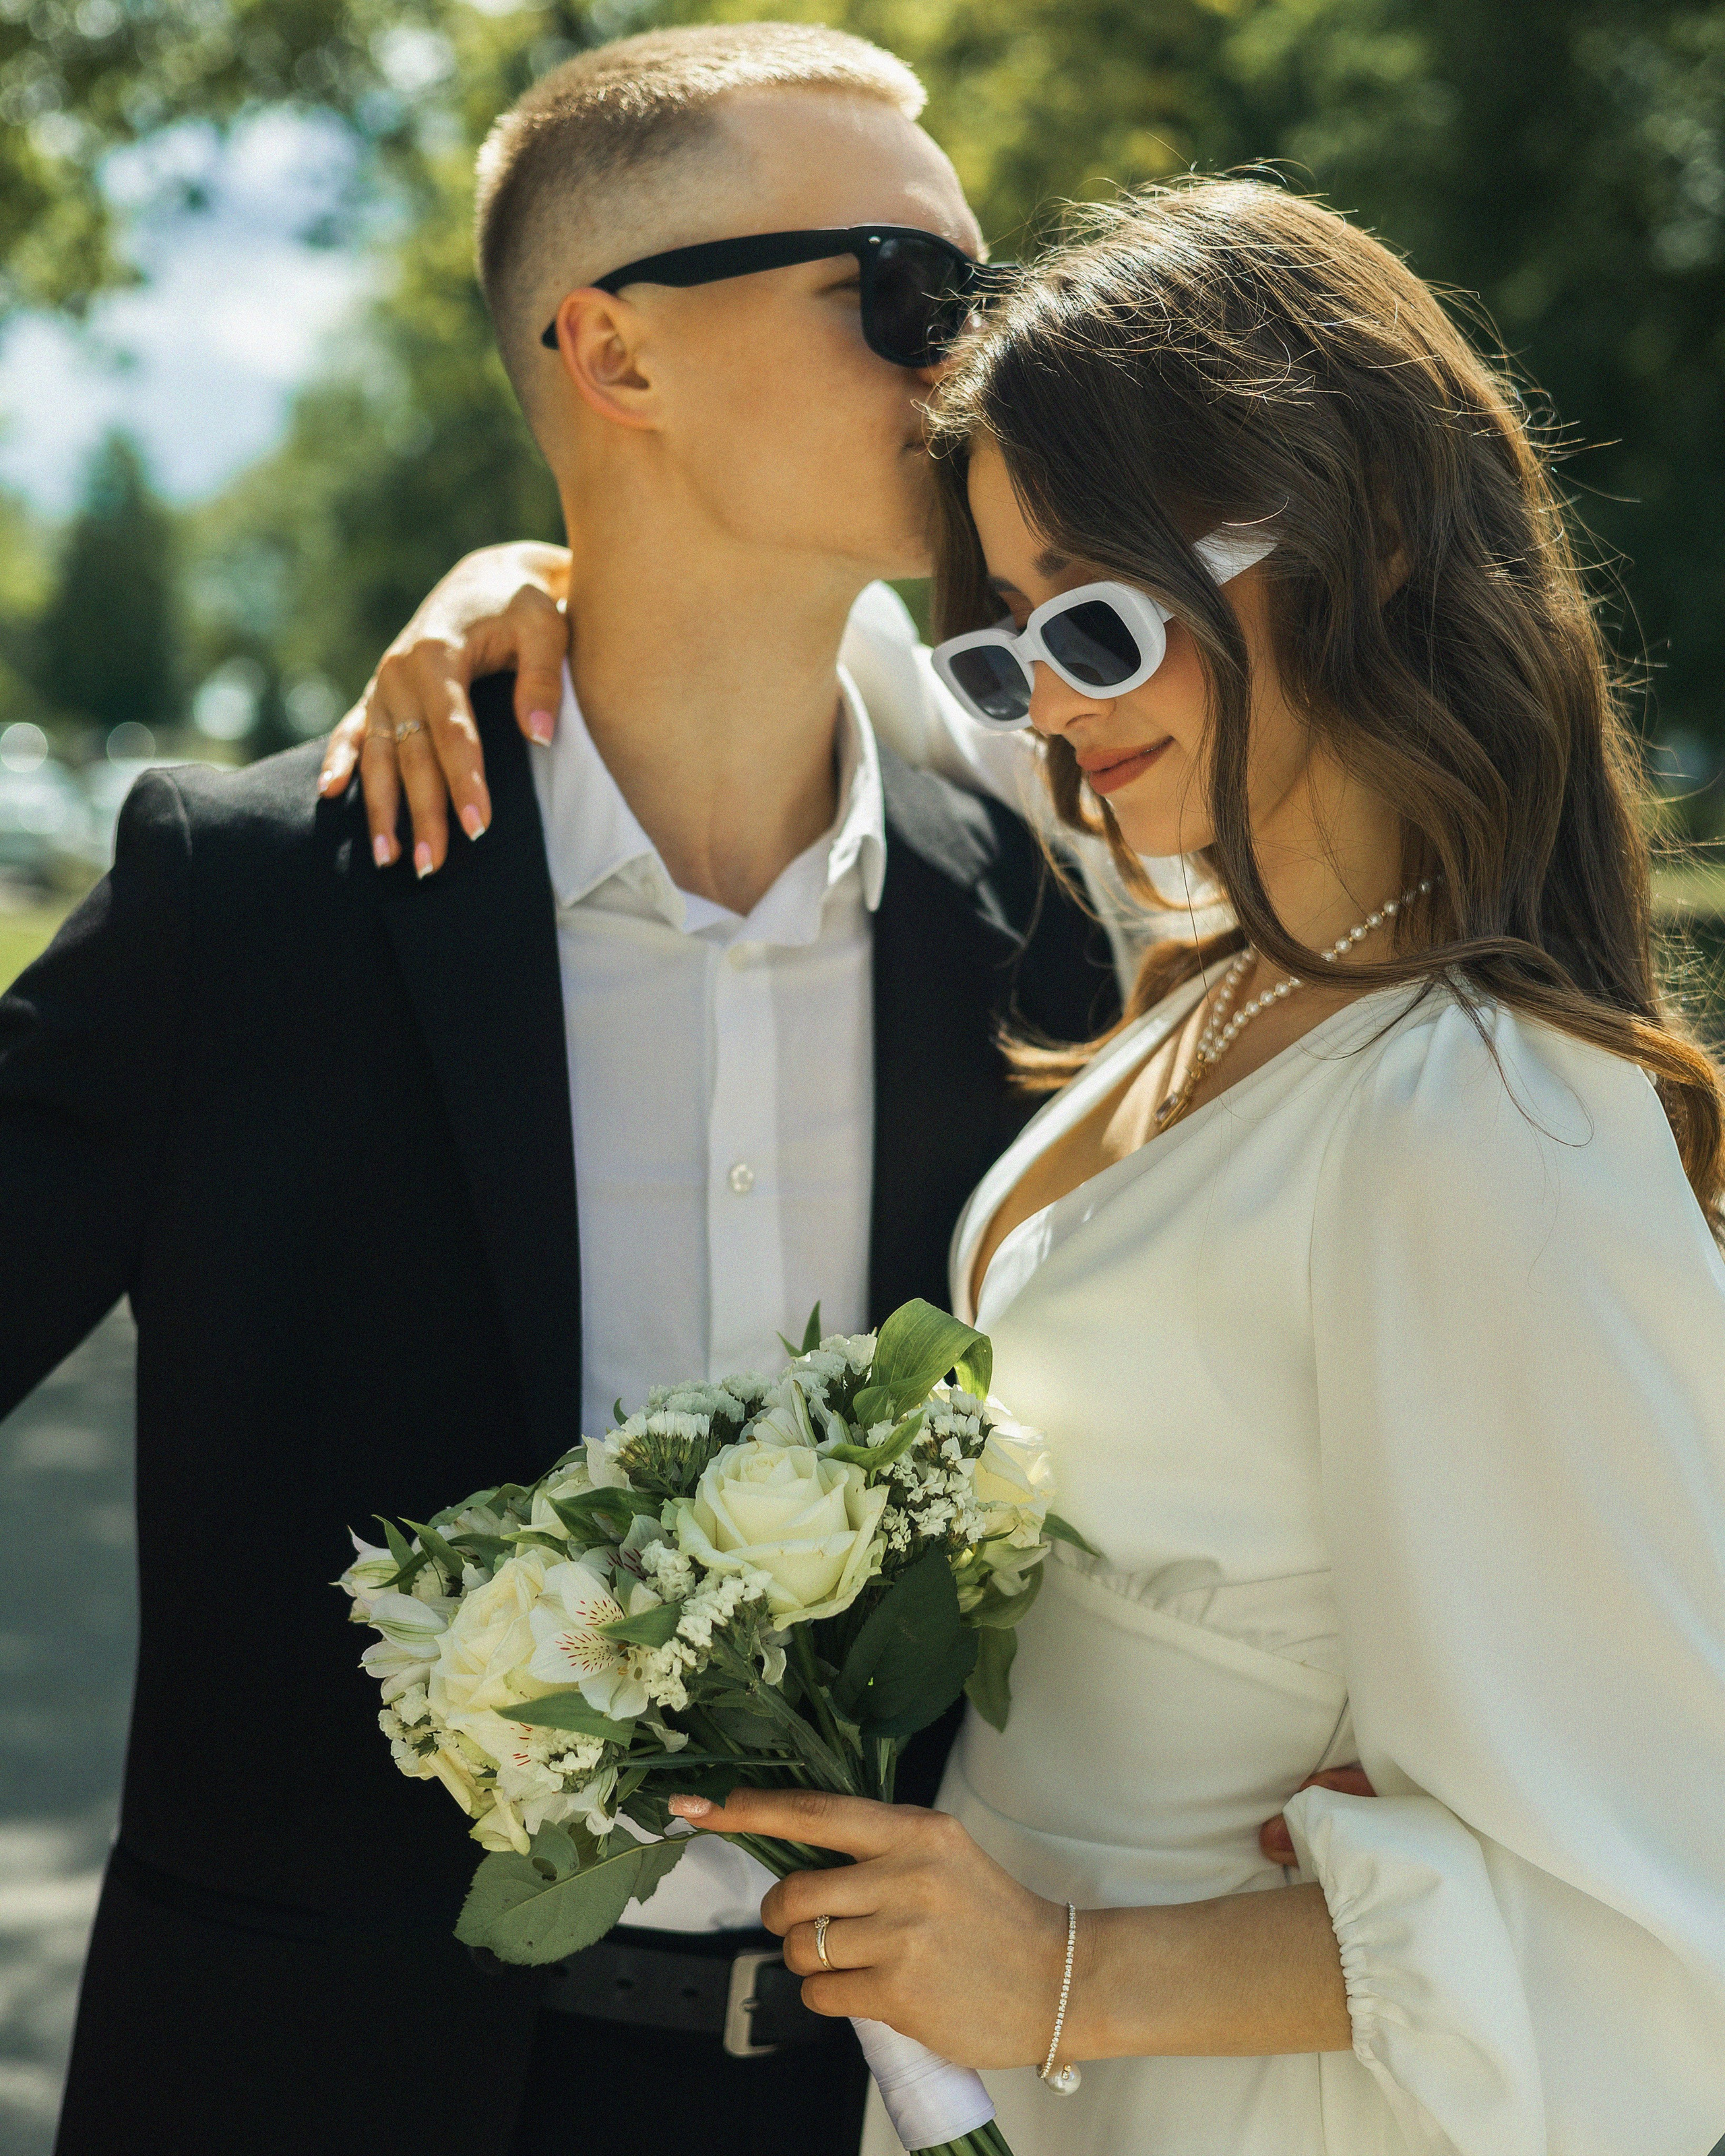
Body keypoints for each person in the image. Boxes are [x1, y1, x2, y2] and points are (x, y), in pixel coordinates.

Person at [380, 179, 1725, 2152]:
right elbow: (760, 646)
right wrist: (508, 585)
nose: (1060, 710)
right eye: (1010, 655)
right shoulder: (1209, 971)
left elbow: (1660, 1899)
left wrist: (1071, 1974)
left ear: (1372, 540)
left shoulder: (1484, 1113)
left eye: (1095, 621)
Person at [0, 27, 1121, 2156]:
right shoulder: (245, 906)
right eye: (905, 293)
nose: (980, 361)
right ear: (614, 354)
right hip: (292, 2091)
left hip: (846, 2110)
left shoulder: (1047, 943)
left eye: (991, 296)